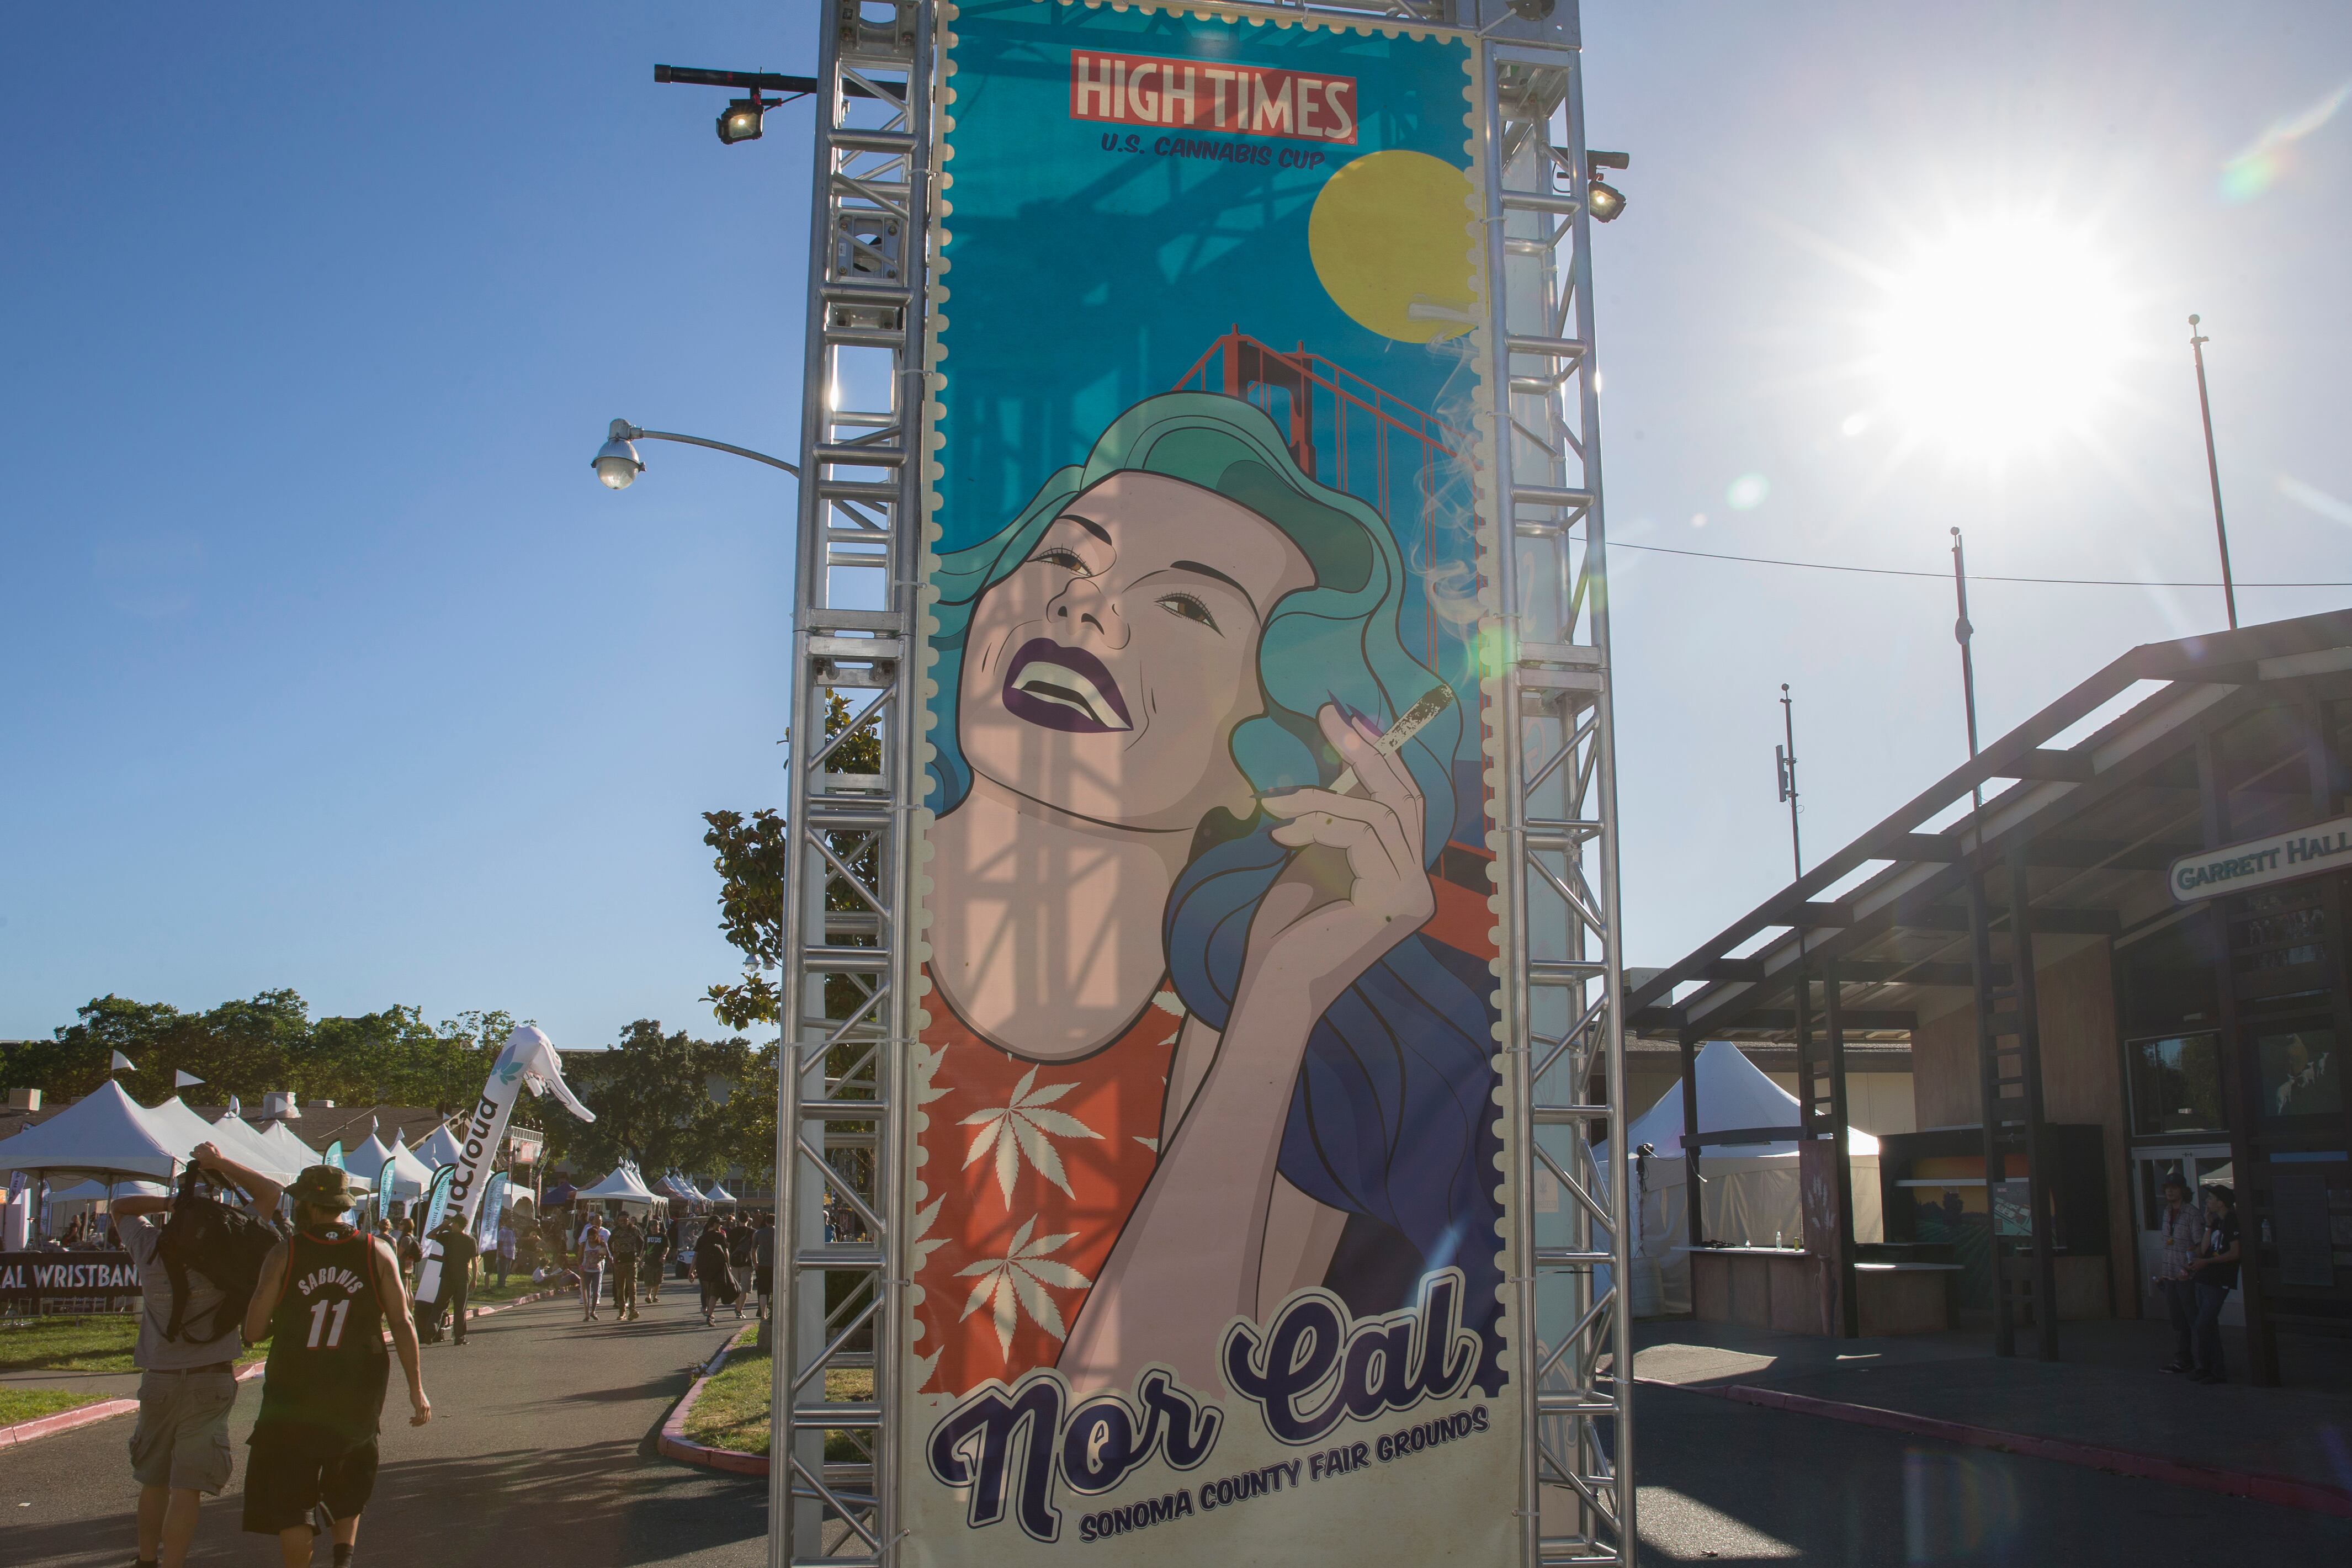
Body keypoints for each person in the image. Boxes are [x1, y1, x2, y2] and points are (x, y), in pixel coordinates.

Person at [910, 392, 1499, 1398]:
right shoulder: (868, 940)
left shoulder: (1265, 1018)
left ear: (1265, 747)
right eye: (1064, 557)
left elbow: (1153, 1433)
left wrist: (1280, 1005)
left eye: (1184, 606)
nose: (1082, 607)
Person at [242, 1166, 429, 1568]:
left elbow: (253, 1330)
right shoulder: (378, 1250)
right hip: (357, 1392)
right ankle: (342, 1560)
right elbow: (403, 1322)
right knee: (348, 1486)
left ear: (308, 1204)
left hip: (292, 1394)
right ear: (344, 1204)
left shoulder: (285, 1252)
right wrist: (417, 1389)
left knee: (293, 1502)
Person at [111, 1142, 285, 1568]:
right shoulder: (232, 1244)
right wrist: (218, 1163)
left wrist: (173, 1202)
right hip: (212, 1375)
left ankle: (147, 1560)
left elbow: (120, 1207)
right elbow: (271, 1192)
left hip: (159, 1376)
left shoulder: (149, 1248)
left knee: (154, 1480)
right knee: (187, 1486)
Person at [2186, 1184, 2242, 1385]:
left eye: (2211, 1198)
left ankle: (2214, 1369)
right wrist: (2209, 1227)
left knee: (2203, 1324)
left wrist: (2207, 1262)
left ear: (2221, 1203)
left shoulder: (2232, 1221)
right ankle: (2209, 1368)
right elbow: (2202, 1251)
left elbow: (2235, 1253)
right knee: (2208, 1325)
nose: (2207, 1201)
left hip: (2219, 1280)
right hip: (2204, 1278)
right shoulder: (2217, 1222)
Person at [2153, 1174, 2204, 1374]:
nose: (2170, 1191)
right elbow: (2168, 1245)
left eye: (2174, 1187)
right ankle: (2183, 1359)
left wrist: (2189, 1269)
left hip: (2187, 1276)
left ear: (2183, 1190)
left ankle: (2205, 1362)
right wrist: (2164, 1273)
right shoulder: (2166, 1212)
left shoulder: (2193, 1214)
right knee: (2177, 1321)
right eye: (2167, 1188)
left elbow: (2200, 1246)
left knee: (2194, 1319)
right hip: (2170, 1275)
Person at [428, 1213, 479, 1346]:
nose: (451, 1225)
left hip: (447, 1276)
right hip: (462, 1278)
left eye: (453, 1223)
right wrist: (474, 1278)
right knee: (460, 1308)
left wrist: (442, 1226)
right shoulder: (471, 1240)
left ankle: (431, 1329)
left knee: (439, 1305)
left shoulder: (448, 1237)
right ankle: (460, 1338)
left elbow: (430, 1235)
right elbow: (475, 1261)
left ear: (457, 1224)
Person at [694, 1219, 733, 1327]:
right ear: (715, 1224)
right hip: (717, 1267)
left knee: (706, 1290)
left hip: (703, 1267)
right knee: (714, 1293)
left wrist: (691, 1270)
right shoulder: (720, 1236)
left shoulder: (702, 1238)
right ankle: (710, 1315)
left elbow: (696, 1254)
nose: (721, 1226)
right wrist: (728, 1265)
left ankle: (708, 1311)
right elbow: (726, 1251)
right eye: (719, 1224)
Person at [577, 1212, 611, 1322]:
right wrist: (581, 1269)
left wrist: (602, 1256)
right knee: (586, 1293)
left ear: (597, 1236)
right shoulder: (584, 1244)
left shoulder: (601, 1243)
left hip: (597, 1270)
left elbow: (605, 1254)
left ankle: (593, 1311)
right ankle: (587, 1314)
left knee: (596, 1292)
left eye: (593, 1237)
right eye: (590, 1237)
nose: (591, 1239)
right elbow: (579, 1257)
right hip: (586, 1270)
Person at [608, 1214, 644, 1322]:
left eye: (625, 1220)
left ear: (628, 1220)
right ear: (618, 1221)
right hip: (619, 1263)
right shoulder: (616, 1231)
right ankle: (622, 1312)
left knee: (632, 1288)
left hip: (631, 1263)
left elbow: (642, 1242)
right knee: (620, 1289)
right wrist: (613, 1254)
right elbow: (609, 1243)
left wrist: (639, 1256)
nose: (623, 1222)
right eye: (621, 1220)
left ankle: (633, 1310)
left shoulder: (634, 1229)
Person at [727, 1219, 755, 1320]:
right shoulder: (753, 1232)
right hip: (747, 1262)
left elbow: (729, 1247)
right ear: (748, 1220)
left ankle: (737, 1306)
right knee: (744, 1289)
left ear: (739, 1220)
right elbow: (755, 1248)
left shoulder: (733, 1232)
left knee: (736, 1287)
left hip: (734, 1262)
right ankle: (740, 1310)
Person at [641, 1214, 668, 1304]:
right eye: (652, 1226)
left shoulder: (663, 1236)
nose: (654, 1228)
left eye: (655, 1226)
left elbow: (666, 1247)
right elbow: (644, 1249)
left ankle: (655, 1296)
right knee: (648, 1280)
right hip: (649, 1261)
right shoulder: (647, 1237)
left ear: (659, 1226)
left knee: (658, 1280)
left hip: (659, 1262)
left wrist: (664, 1256)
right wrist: (640, 1259)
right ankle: (648, 1296)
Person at [753, 1212, 775, 1322]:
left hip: (762, 1265)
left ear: (766, 1222)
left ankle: (763, 1314)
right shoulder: (780, 1232)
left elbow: (753, 1250)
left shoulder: (759, 1233)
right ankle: (775, 1313)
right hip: (776, 1265)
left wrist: (755, 1263)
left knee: (763, 1290)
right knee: (775, 1290)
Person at [494, 1218, 517, 1288]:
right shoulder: (502, 1231)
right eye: (510, 1222)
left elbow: (513, 1243)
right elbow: (500, 1242)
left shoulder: (512, 1231)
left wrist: (515, 1252)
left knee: (507, 1271)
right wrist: (500, 1252)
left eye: (512, 1222)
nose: (511, 1224)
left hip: (510, 1254)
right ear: (506, 1222)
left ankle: (503, 1284)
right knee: (502, 1270)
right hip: (504, 1254)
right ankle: (500, 1284)